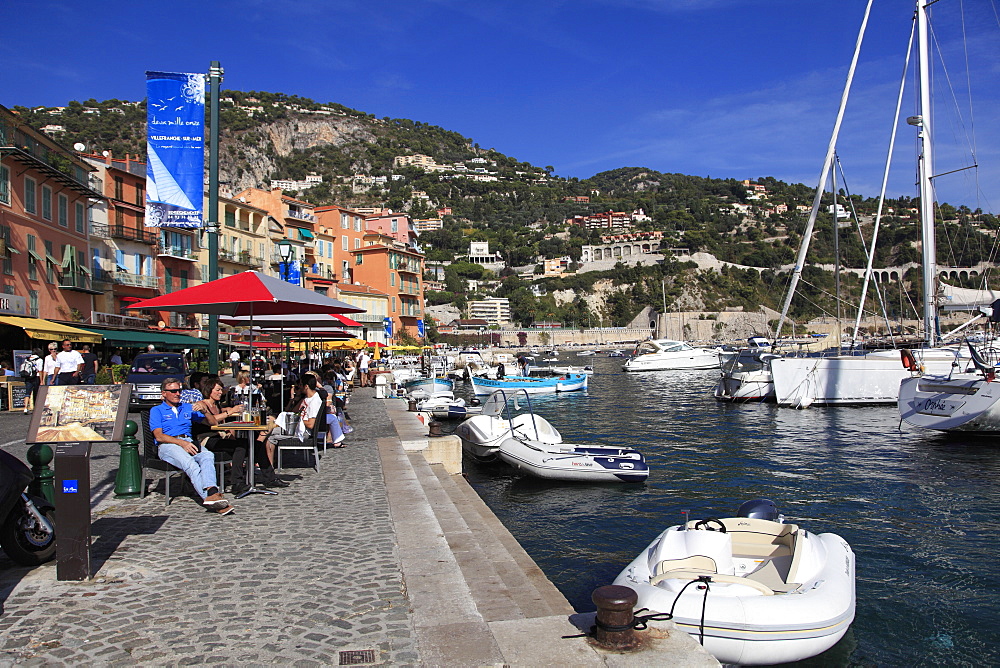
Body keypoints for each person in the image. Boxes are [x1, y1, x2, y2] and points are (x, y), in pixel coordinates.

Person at [149, 377, 235, 515]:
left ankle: (212, 491)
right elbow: (159, 436)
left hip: (188, 441)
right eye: (173, 391)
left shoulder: (187, 407)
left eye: (179, 391)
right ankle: (213, 501)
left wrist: (205, 411)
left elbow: (213, 423)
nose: (177, 394)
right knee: (191, 464)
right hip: (168, 444)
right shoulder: (157, 410)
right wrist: (181, 443)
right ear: (164, 393)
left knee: (207, 455)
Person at [20, 348, 42, 413]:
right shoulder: (39, 360)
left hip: (28, 377)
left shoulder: (27, 358)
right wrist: (41, 380)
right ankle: (36, 408)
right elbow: (40, 370)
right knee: (36, 393)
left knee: (27, 393)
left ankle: (25, 408)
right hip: (36, 377)